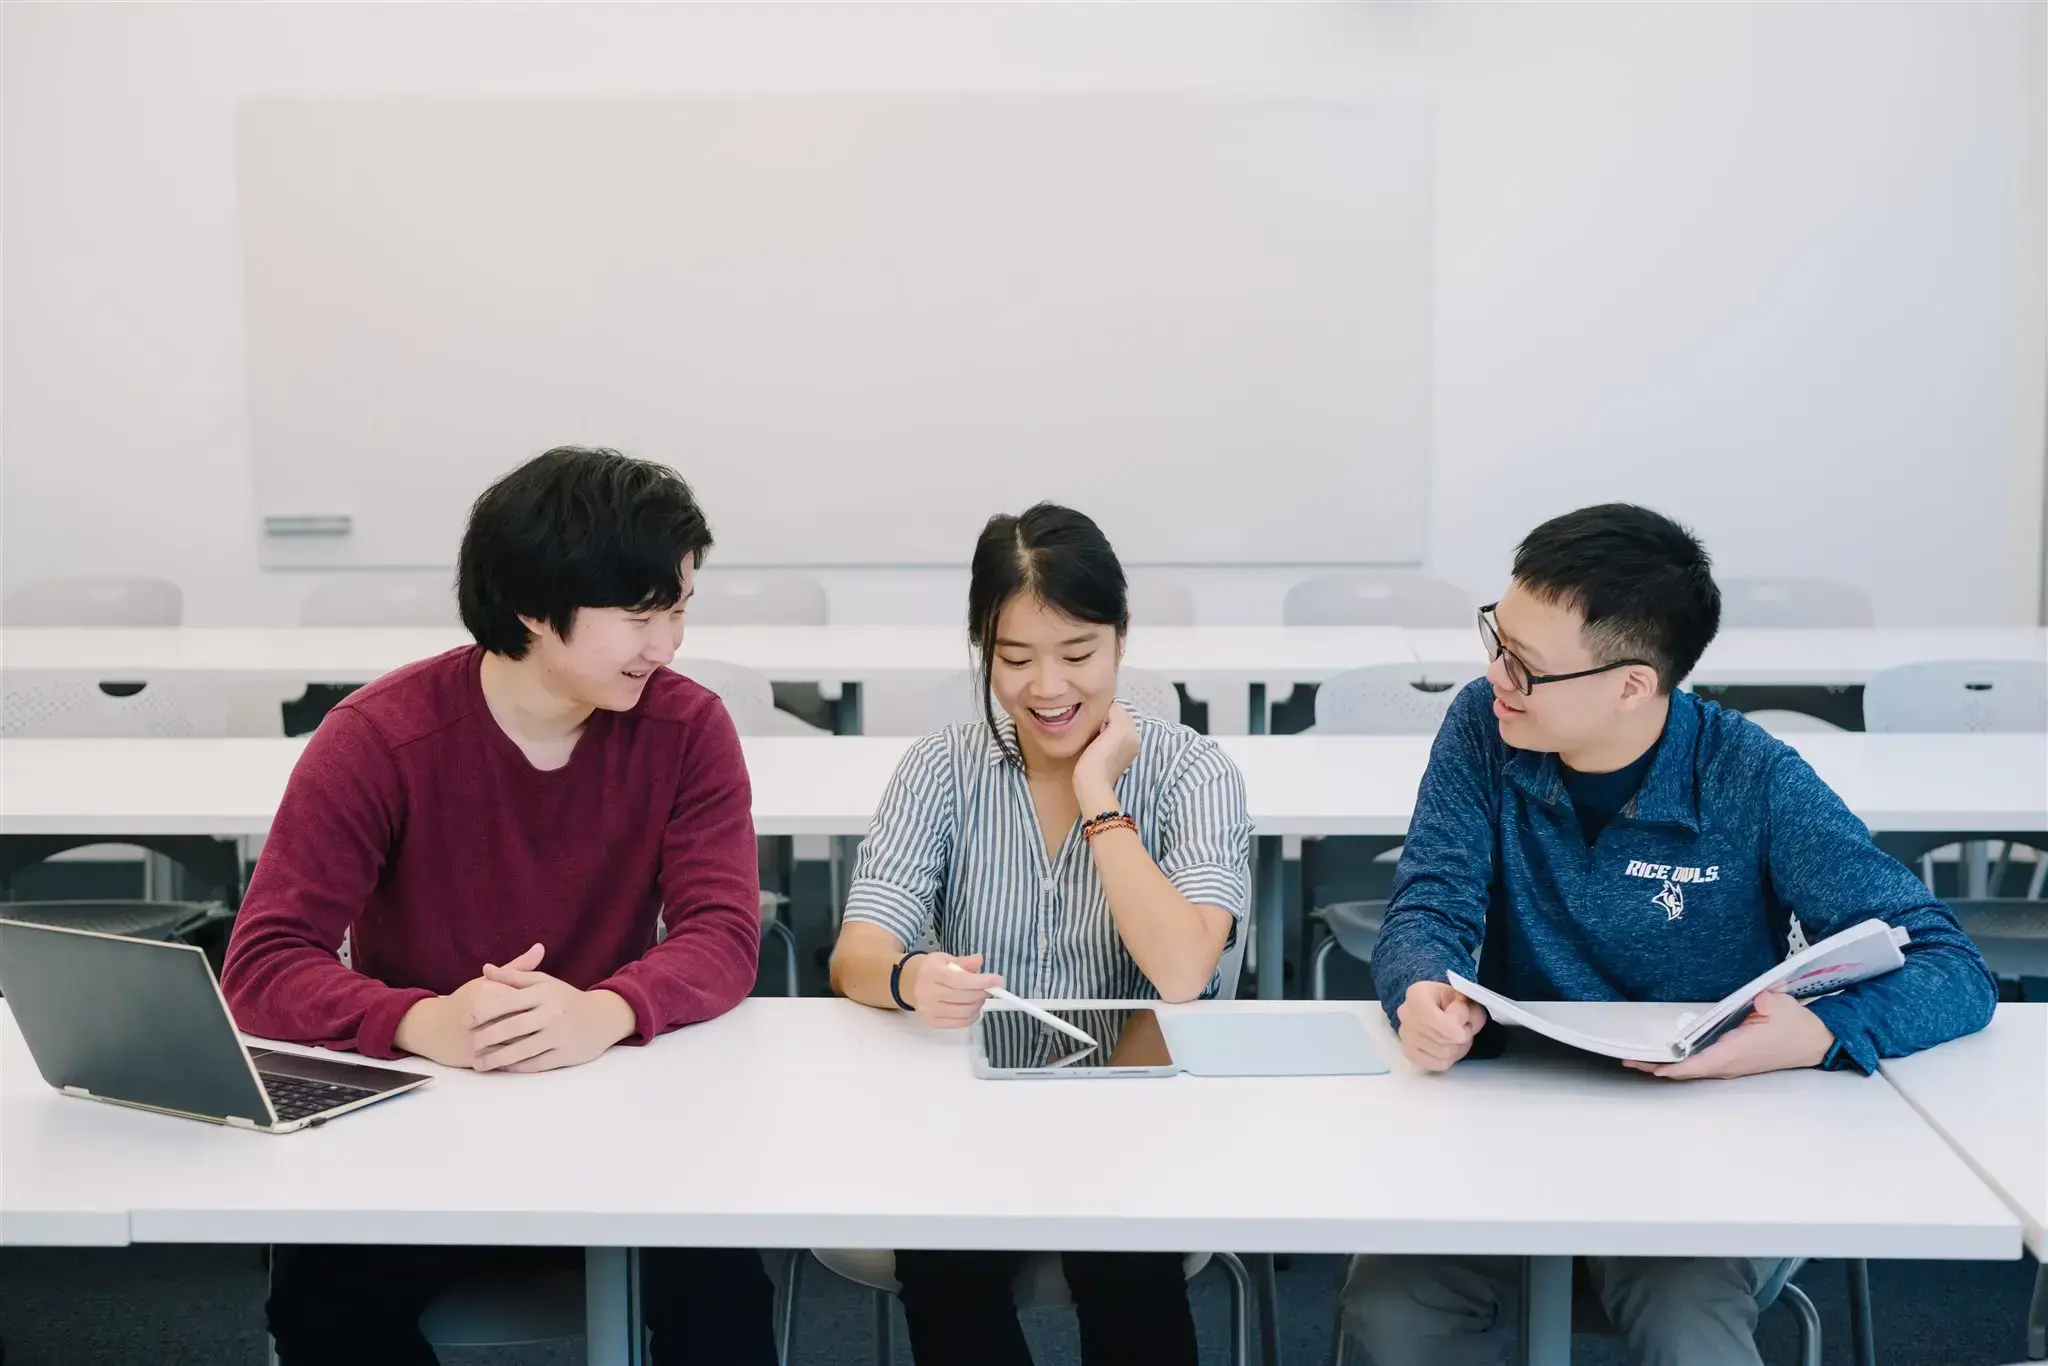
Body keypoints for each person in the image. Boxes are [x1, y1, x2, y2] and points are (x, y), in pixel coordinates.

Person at [1341, 503, 1998, 1366]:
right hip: (1508, 1129)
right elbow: (1430, 899)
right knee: (1393, 1310)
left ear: (1632, 685)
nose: (1498, 676)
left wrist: (1819, 1033)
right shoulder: (1485, 727)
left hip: (1704, 1145)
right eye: (1496, 642)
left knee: (1687, 1325)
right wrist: (1420, 981)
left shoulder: (1750, 775)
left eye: (1526, 667)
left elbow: (1953, 966)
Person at [221, 446, 778, 1366]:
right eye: (639, 614)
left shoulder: (687, 728)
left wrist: (604, 1009)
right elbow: (266, 960)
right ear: (530, 608)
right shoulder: (381, 737)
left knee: (722, 1297)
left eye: (678, 608)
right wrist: (426, 1021)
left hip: (620, 1103)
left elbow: (723, 934)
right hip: (422, 1112)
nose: (667, 644)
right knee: (324, 1306)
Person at [828, 502, 1253, 1366]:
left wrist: (1100, 793)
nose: (1047, 688)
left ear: (1122, 638)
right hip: (972, 1104)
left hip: (1137, 1109)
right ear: (984, 650)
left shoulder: (1192, 771)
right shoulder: (940, 767)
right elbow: (855, 954)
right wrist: (910, 976)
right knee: (943, 1266)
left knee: (1126, 1263)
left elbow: (1180, 972)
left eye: (1077, 654)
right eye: (1014, 659)